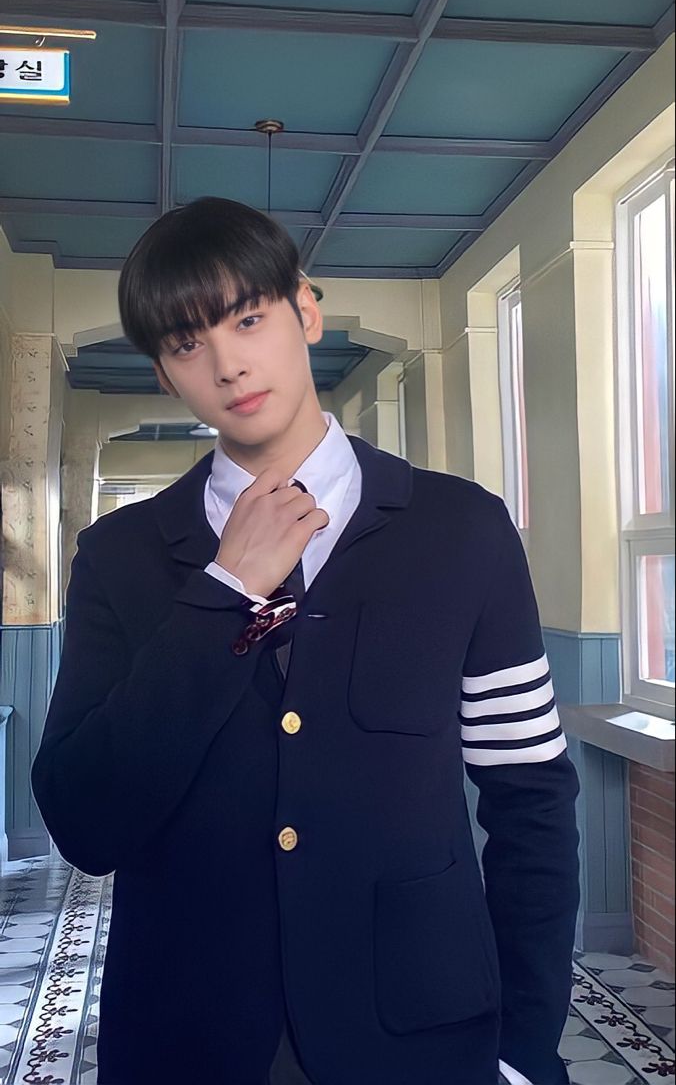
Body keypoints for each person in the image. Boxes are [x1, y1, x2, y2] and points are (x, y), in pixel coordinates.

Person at [31, 196, 581, 1085]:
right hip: (187, 1035)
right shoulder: (122, 556)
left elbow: (532, 802)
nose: (228, 364)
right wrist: (224, 592)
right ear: (166, 374)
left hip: (422, 1031)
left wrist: (524, 1046)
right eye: (186, 344)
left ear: (305, 309)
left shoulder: (462, 529)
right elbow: (85, 823)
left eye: (248, 319)